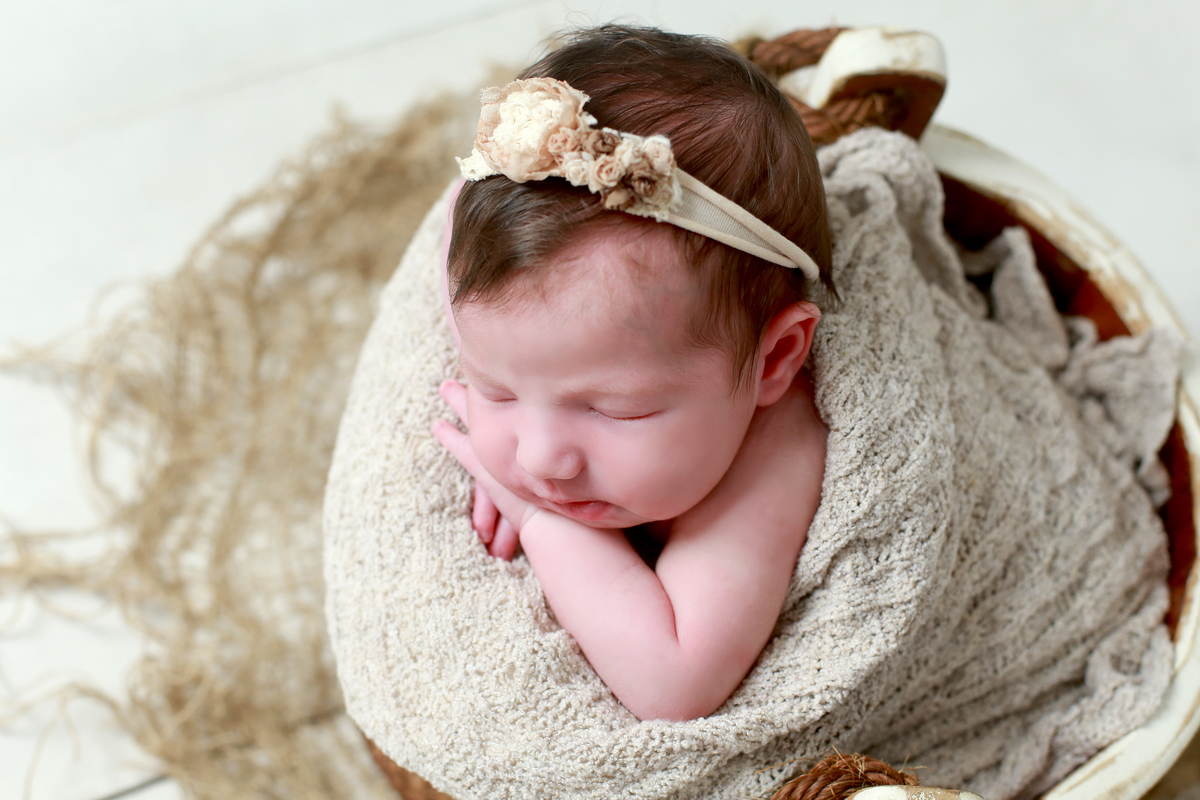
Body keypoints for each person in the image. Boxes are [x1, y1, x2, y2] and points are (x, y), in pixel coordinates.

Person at [432, 25, 834, 722]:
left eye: (611, 410)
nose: (537, 456)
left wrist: (539, 520)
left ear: (772, 361)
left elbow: (675, 681)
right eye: (496, 389)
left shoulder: (773, 445)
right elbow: (450, 227)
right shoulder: (521, 283)